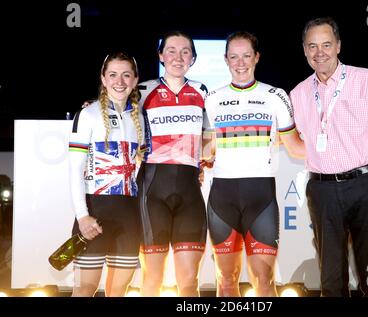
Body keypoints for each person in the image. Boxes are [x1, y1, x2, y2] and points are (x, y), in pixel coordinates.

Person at [289, 17, 368, 296]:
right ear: (304, 50)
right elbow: (281, 138)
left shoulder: (366, 80)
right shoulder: (298, 94)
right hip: (322, 191)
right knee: (331, 281)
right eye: (313, 46)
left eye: (327, 44)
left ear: (339, 46)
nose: (320, 52)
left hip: (366, 186)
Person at [203, 31, 305, 297]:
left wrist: (342, 149)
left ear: (256, 57)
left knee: (265, 281)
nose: (240, 62)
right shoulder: (212, 99)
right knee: (226, 280)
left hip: (261, 198)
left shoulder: (275, 95)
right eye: (234, 57)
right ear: (225, 60)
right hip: (222, 198)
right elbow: (204, 148)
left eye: (246, 55)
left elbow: (295, 146)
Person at [137, 30, 208, 297]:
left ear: (193, 57)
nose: (178, 57)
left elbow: (209, 137)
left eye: (185, 51)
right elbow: (115, 109)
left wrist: (204, 162)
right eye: (171, 51)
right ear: (160, 55)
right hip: (153, 190)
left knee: (189, 283)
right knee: (152, 280)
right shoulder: (143, 90)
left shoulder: (202, 91)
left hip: (190, 194)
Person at [68, 52, 144, 296]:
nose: (119, 81)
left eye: (126, 75)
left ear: (135, 80)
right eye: (112, 74)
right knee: (84, 289)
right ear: (103, 78)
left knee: (118, 291)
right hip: (94, 213)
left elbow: (142, 166)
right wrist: (82, 216)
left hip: (129, 216)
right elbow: (74, 169)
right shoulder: (88, 115)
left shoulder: (140, 117)